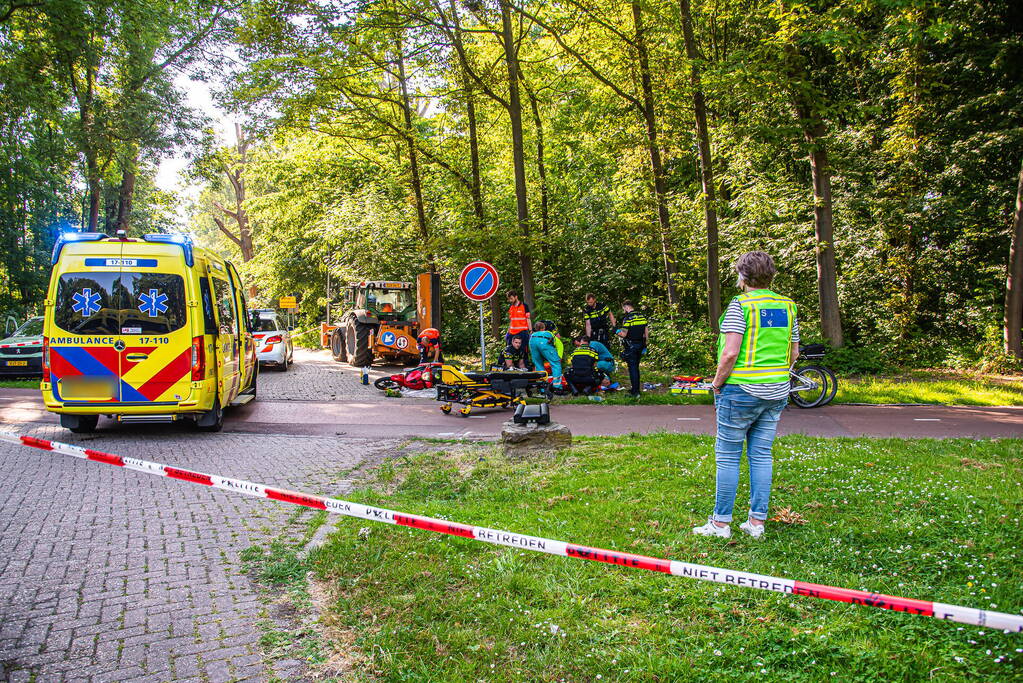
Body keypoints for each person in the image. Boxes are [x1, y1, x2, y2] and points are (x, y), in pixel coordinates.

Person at [693, 251, 799, 541]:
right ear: (771, 275)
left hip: (739, 390)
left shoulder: (741, 306)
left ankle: (720, 523)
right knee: (761, 455)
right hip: (776, 390)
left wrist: (716, 384)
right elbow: (794, 352)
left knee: (728, 456)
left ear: (742, 276)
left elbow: (729, 353)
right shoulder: (788, 306)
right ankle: (756, 522)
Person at [617, 301, 648, 398]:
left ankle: (635, 393)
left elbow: (624, 334)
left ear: (626, 307)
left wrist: (616, 331)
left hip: (631, 346)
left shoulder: (628, 318)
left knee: (633, 369)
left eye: (624, 309)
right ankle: (635, 389)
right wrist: (646, 343)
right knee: (636, 368)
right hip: (640, 345)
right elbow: (646, 332)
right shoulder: (641, 316)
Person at [528, 321, 563, 389]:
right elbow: (560, 344)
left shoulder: (532, 335)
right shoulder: (548, 333)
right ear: (544, 328)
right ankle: (557, 387)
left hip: (532, 343)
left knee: (538, 365)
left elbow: (531, 347)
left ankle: (542, 388)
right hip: (544, 342)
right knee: (556, 365)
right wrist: (559, 356)